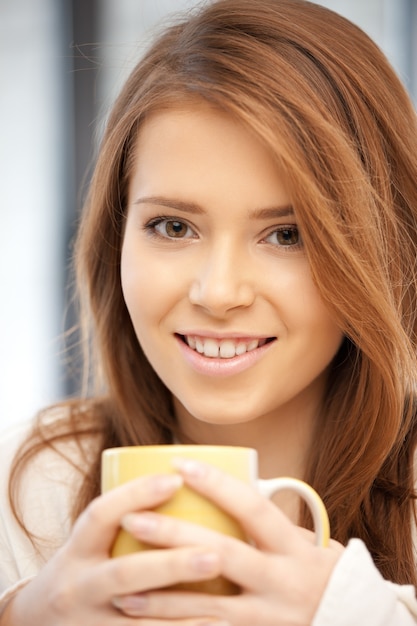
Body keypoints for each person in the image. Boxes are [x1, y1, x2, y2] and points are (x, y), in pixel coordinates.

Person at [1, 0, 417, 623]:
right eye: (173, 226)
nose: (219, 293)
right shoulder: (33, 486)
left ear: (385, 249)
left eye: (287, 235)